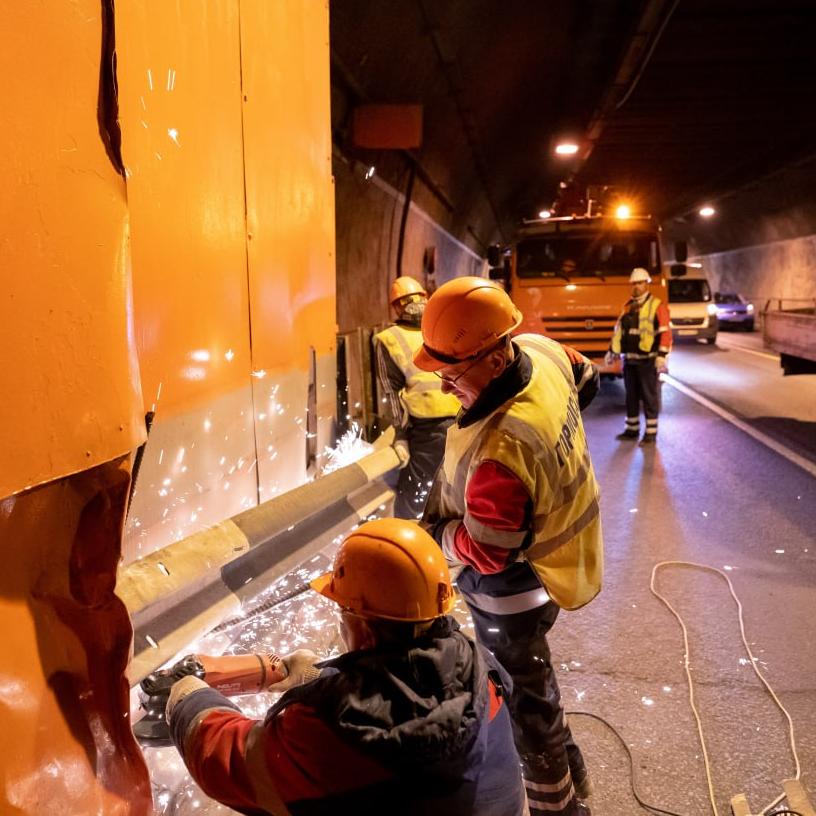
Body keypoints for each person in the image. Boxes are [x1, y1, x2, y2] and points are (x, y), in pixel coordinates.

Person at [165, 518, 527, 816]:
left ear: (363, 627)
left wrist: (185, 697)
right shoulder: (479, 668)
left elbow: (231, 761)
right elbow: (402, 689)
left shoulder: (334, 733)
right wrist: (321, 679)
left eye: (343, 611)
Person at [415, 277, 603, 816]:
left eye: (453, 374)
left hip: (514, 587)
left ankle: (557, 807)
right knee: (535, 676)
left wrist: (438, 538)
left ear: (496, 360)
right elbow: (585, 381)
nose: (446, 388)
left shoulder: (503, 449)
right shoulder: (541, 350)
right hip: (560, 557)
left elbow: (489, 552)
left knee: (524, 697)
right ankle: (574, 769)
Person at [373, 276, 461, 518]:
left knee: (411, 501)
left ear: (396, 307)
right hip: (463, 421)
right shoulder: (445, 328)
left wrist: (400, 436)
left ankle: (410, 548)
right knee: (454, 489)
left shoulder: (388, 339)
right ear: (426, 298)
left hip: (428, 430)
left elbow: (392, 395)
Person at [606, 267, 672, 445]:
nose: (636, 286)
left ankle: (651, 433)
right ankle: (632, 429)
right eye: (634, 283)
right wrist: (612, 351)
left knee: (649, 397)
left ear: (647, 284)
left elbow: (665, 333)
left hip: (648, 360)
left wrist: (661, 356)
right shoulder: (628, 306)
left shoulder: (656, 306)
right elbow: (620, 332)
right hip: (630, 360)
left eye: (640, 283)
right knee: (631, 396)